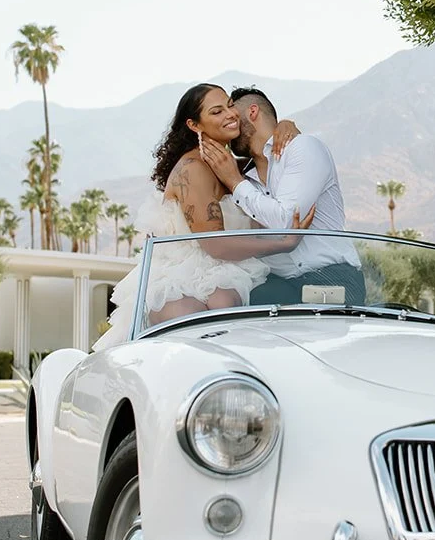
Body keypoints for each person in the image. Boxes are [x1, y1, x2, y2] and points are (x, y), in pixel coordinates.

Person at [94, 83, 308, 347]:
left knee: (229, 303)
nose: (230, 114)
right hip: (179, 272)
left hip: (225, 269)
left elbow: (264, 153)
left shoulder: (233, 167)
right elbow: (214, 245)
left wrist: (285, 125)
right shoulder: (192, 169)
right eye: (216, 112)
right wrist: (282, 243)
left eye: (230, 105)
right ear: (195, 125)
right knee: (198, 319)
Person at [199, 85, 366, 306]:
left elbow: (285, 221)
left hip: (330, 277)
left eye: (234, 117)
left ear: (252, 112)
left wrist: (234, 182)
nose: (231, 125)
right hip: (276, 283)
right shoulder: (241, 173)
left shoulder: (303, 148)